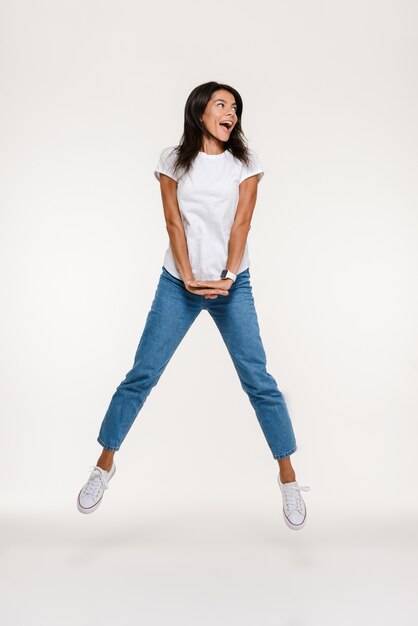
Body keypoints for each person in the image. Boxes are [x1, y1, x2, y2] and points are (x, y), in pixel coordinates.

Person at [77, 81, 310, 530]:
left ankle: (288, 478)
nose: (231, 112)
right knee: (142, 374)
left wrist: (225, 277)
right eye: (221, 104)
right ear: (200, 111)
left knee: (258, 380)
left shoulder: (246, 162)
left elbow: (242, 223)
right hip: (177, 283)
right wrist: (187, 276)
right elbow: (172, 221)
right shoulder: (172, 160)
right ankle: (103, 467)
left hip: (231, 286)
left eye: (235, 107)